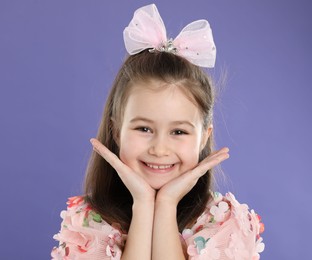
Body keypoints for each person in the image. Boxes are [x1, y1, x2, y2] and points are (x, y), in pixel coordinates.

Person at [51, 4, 264, 260]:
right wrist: (143, 206)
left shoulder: (224, 225)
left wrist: (165, 206)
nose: (159, 149)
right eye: (143, 128)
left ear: (204, 136)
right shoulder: (86, 224)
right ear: (116, 131)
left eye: (179, 132)